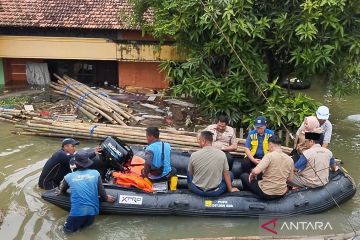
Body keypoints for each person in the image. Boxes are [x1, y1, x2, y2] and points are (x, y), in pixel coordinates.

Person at [58, 150, 115, 233]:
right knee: (84, 231)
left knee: (66, 233)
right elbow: (101, 191)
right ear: (88, 162)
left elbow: (63, 191)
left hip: (77, 213)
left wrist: (62, 193)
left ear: (76, 164)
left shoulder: (69, 177)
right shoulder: (96, 173)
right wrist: (106, 198)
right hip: (93, 212)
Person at [240, 136, 294, 200]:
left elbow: (256, 171)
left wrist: (252, 173)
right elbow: (290, 179)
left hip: (266, 193)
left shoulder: (269, 156)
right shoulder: (290, 159)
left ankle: (248, 195)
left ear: (270, 144)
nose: (268, 148)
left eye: (268, 146)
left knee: (244, 176)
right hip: (281, 193)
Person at [187, 131, 239, 197]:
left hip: (197, 190)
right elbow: (226, 174)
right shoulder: (222, 154)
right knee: (230, 174)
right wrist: (230, 189)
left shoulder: (194, 155)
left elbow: (191, 174)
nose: (198, 142)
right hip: (215, 192)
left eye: (198, 140)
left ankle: (190, 187)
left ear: (203, 141)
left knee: (188, 170)